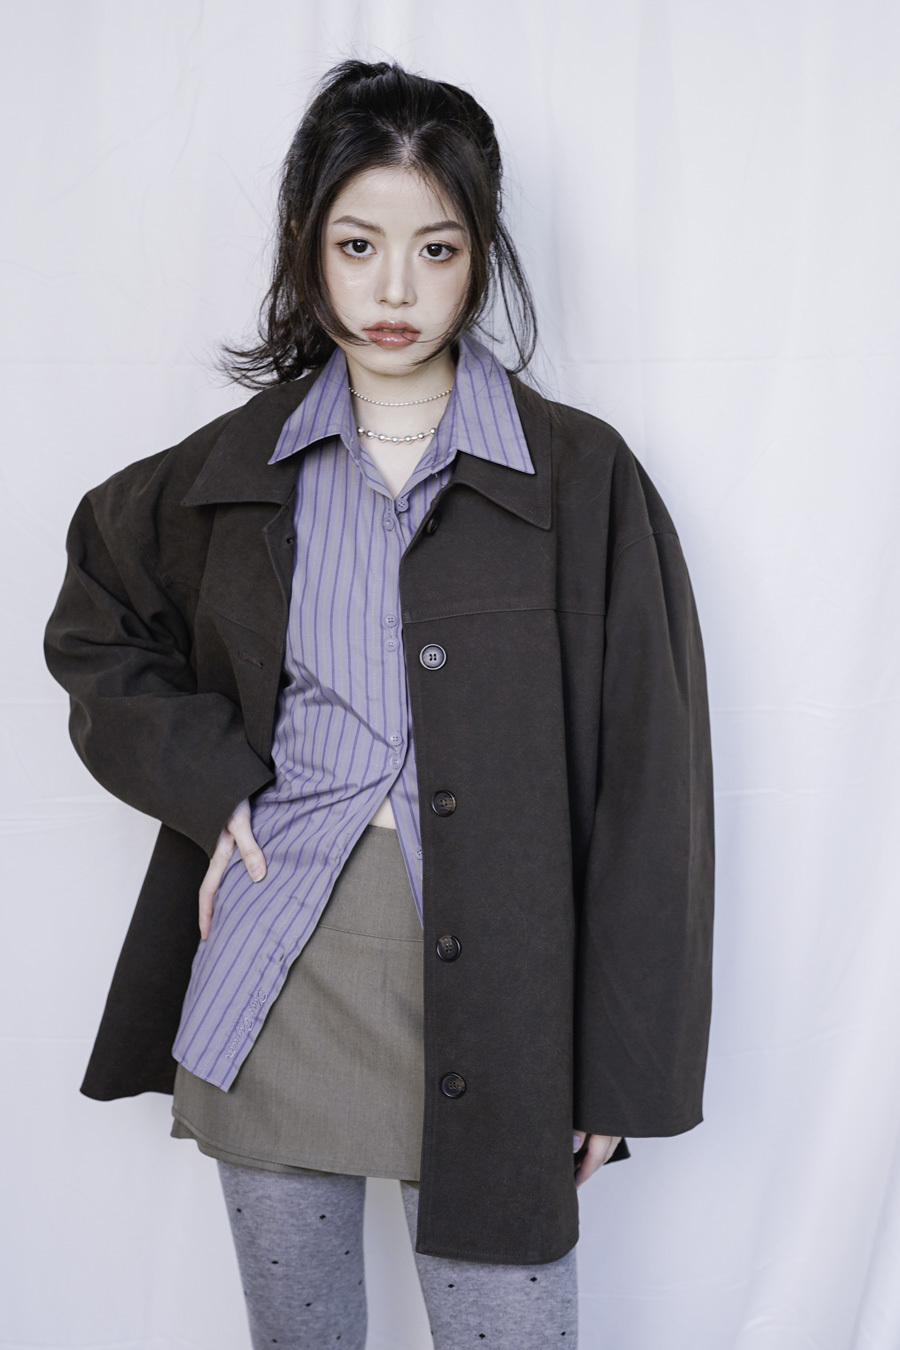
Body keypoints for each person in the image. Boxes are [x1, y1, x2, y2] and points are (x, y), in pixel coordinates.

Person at [43, 58, 715, 1350]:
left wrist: (619, 1069)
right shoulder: (236, 470)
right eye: (358, 245)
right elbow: (97, 616)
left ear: (481, 256)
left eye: (435, 248)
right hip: (276, 966)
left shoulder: (581, 479)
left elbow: (652, 788)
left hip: (505, 991)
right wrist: (214, 784)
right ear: (309, 248)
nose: (395, 290)